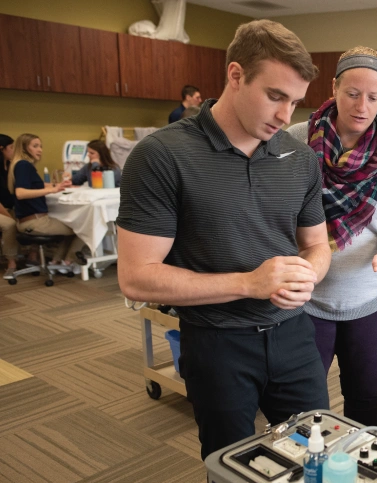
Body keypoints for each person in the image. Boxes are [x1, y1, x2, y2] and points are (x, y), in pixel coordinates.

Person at [117, 20, 332, 460]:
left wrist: (306, 276)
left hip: (293, 337)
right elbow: (136, 279)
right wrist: (249, 283)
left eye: (294, 102)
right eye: (275, 96)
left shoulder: (300, 158)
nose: (285, 116)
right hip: (218, 344)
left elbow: (317, 245)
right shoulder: (162, 156)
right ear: (236, 75)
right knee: (235, 473)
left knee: (316, 461)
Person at [286, 47, 377, 427]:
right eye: (352, 94)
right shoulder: (296, 141)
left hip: (370, 297)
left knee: (364, 398)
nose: (362, 106)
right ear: (334, 88)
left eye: (373, 97)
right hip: (308, 297)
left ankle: (359, 478)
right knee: (302, 403)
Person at [8, 133, 84, 270]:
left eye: (41, 146)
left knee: (74, 225)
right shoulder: (23, 165)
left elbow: (37, 185)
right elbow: (20, 193)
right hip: (35, 222)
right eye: (35, 146)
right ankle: (67, 261)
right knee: (82, 228)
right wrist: (52, 191)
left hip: (26, 220)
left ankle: (56, 262)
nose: (40, 150)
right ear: (24, 148)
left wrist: (59, 186)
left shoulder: (21, 165)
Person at [1, 134, 18, 279]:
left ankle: (33, 255)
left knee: (29, 218)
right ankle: (11, 262)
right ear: (1, 149)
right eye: (11, 147)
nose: (14, 150)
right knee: (10, 224)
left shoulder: (11, 167)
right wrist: (8, 215)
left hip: (9, 206)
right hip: (2, 209)